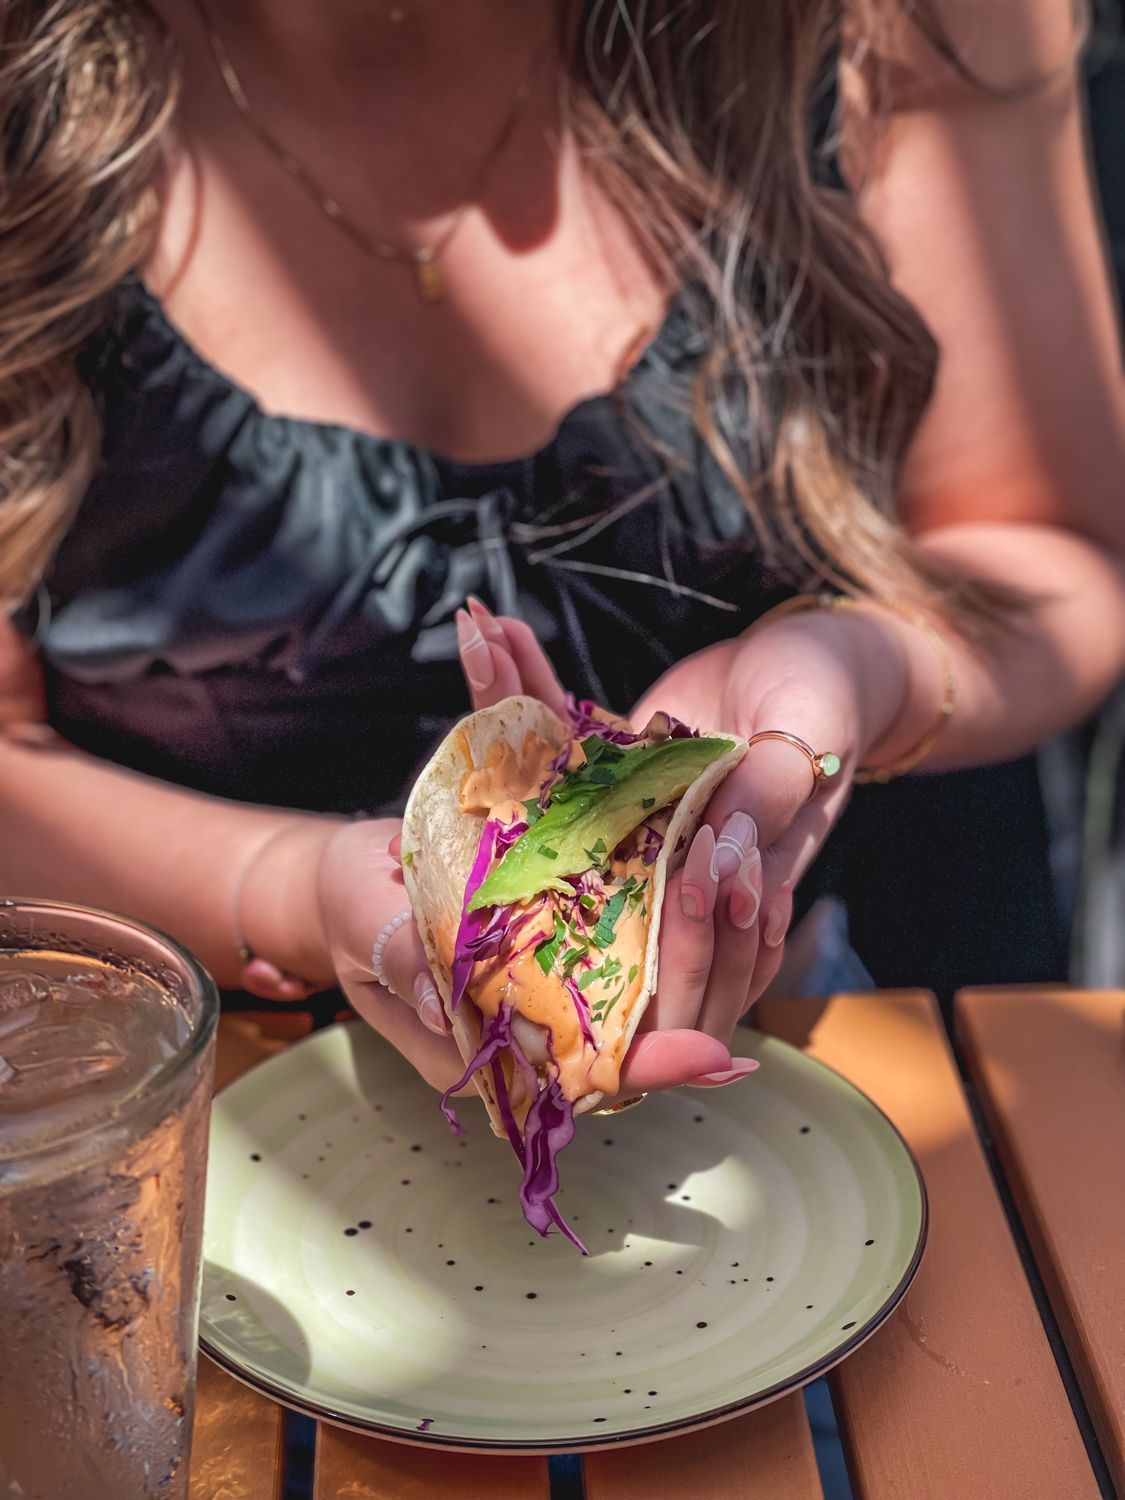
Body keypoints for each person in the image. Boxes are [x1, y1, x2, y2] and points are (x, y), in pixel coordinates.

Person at [0, 0, 1121, 1099]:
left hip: (782, 1082)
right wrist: (281, 887)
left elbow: (1048, 554)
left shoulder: (922, 19)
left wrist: (857, 665)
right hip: (147, 1101)